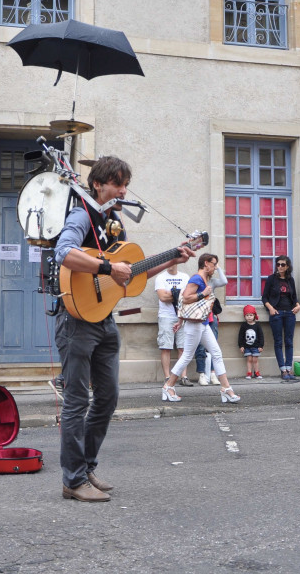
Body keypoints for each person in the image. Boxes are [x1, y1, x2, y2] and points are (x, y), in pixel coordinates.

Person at [54, 156, 193, 502]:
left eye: (126, 184)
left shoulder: (112, 222)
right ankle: (72, 480)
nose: (123, 190)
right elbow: (64, 252)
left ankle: (85, 468)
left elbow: (128, 272)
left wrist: (171, 260)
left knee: (108, 396)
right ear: (98, 185)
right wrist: (105, 267)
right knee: (75, 401)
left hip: (104, 319)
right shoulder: (80, 215)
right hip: (76, 321)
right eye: (117, 184)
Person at [161, 254, 240, 403]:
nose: (215, 268)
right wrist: (203, 294)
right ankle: (168, 386)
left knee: (216, 353)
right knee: (186, 356)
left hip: (202, 324)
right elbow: (185, 298)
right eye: (214, 264)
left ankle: (226, 389)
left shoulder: (204, 279)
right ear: (206, 263)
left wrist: (180, 321)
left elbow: (188, 305)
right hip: (195, 325)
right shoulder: (197, 278)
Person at [263, 255, 300, 381]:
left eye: (283, 265)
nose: (280, 267)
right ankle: (283, 370)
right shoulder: (271, 279)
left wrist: (298, 306)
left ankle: (289, 368)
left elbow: (294, 297)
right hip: (277, 314)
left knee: (289, 341)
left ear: (287, 266)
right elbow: (265, 298)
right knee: (278, 342)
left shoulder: (290, 280)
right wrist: (271, 309)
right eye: (278, 264)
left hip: (290, 313)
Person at [154, 264, 191, 385]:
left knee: (183, 347)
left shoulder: (185, 277)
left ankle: (183, 376)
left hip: (182, 315)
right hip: (166, 316)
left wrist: (174, 293)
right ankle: (167, 377)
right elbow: (163, 297)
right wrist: (180, 294)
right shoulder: (160, 277)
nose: (170, 265)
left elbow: (188, 297)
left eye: (172, 262)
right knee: (166, 347)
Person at [238, 304, 265, 379]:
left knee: (255, 360)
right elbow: (240, 336)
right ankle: (249, 372)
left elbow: (261, 336)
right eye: (247, 315)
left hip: (256, 346)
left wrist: (261, 346)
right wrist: (241, 346)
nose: (249, 317)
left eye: (250, 315)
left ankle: (256, 372)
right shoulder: (244, 325)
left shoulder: (257, 325)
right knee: (249, 359)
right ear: (244, 316)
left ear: (254, 316)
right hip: (247, 347)